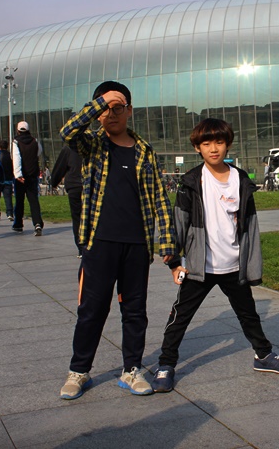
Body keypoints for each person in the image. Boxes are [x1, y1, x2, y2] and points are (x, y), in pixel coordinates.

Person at [151, 118, 279, 394]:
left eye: (219, 142)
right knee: (179, 318)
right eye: (206, 143)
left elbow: (249, 224)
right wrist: (174, 262)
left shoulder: (240, 179)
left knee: (248, 314)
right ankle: (165, 365)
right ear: (197, 147)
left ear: (227, 144)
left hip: (233, 265)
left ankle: (263, 355)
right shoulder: (191, 181)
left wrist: (250, 263)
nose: (213, 148)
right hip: (199, 267)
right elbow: (178, 223)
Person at [58, 80, 177, 400]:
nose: (111, 114)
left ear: (130, 111)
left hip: (136, 245)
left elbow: (159, 198)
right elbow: (67, 132)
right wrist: (101, 102)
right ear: (96, 111)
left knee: (135, 312)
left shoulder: (144, 151)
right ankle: (78, 371)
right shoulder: (91, 145)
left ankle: (131, 369)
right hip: (99, 243)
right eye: (105, 108)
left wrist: (167, 244)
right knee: (92, 310)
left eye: (118, 107)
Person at [50, 144, 83, 257]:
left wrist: (54, 182)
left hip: (75, 185)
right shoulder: (92, 144)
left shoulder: (69, 148)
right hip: (88, 185)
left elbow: (60, 167)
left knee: (77, 216)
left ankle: (81, 247)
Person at [11, 121, 44, 235]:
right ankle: (37, 223)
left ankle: (18, 224)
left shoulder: (16, 142)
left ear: (18, 130)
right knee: (33, 200)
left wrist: (18, 174)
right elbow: (39, 152)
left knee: (19, 201)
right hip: (32, 174)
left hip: (21, 176)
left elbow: (16, 158)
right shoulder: (35, 141)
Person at [0, 140, 15, 221]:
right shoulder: (10, 155)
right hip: (8, 180)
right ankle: (10, 213)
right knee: (8, 198)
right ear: (7, 146)